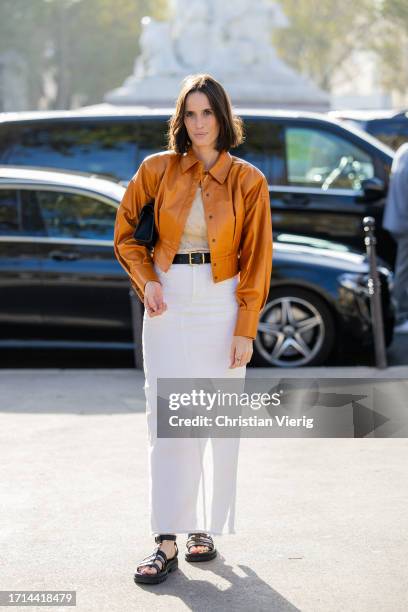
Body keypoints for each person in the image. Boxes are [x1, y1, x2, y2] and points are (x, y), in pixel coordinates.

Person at [113, 73, 273, 585]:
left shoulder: (249, 180)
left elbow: (259, 261)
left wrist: (245, 328)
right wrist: (147, 282)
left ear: (223, 118)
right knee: (166, 420)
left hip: (222, 300)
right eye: (190, 113)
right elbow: (125, 236)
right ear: (180, 120)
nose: (199, 123)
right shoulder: (156, 169)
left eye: (207, 113)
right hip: (168, 299)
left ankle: (202, 527)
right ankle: (165, 537)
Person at [383, 142, 408, 333]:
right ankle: (400, 317)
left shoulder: (403, 151)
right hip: (404, 221)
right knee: (403, 271)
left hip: (398, 219)